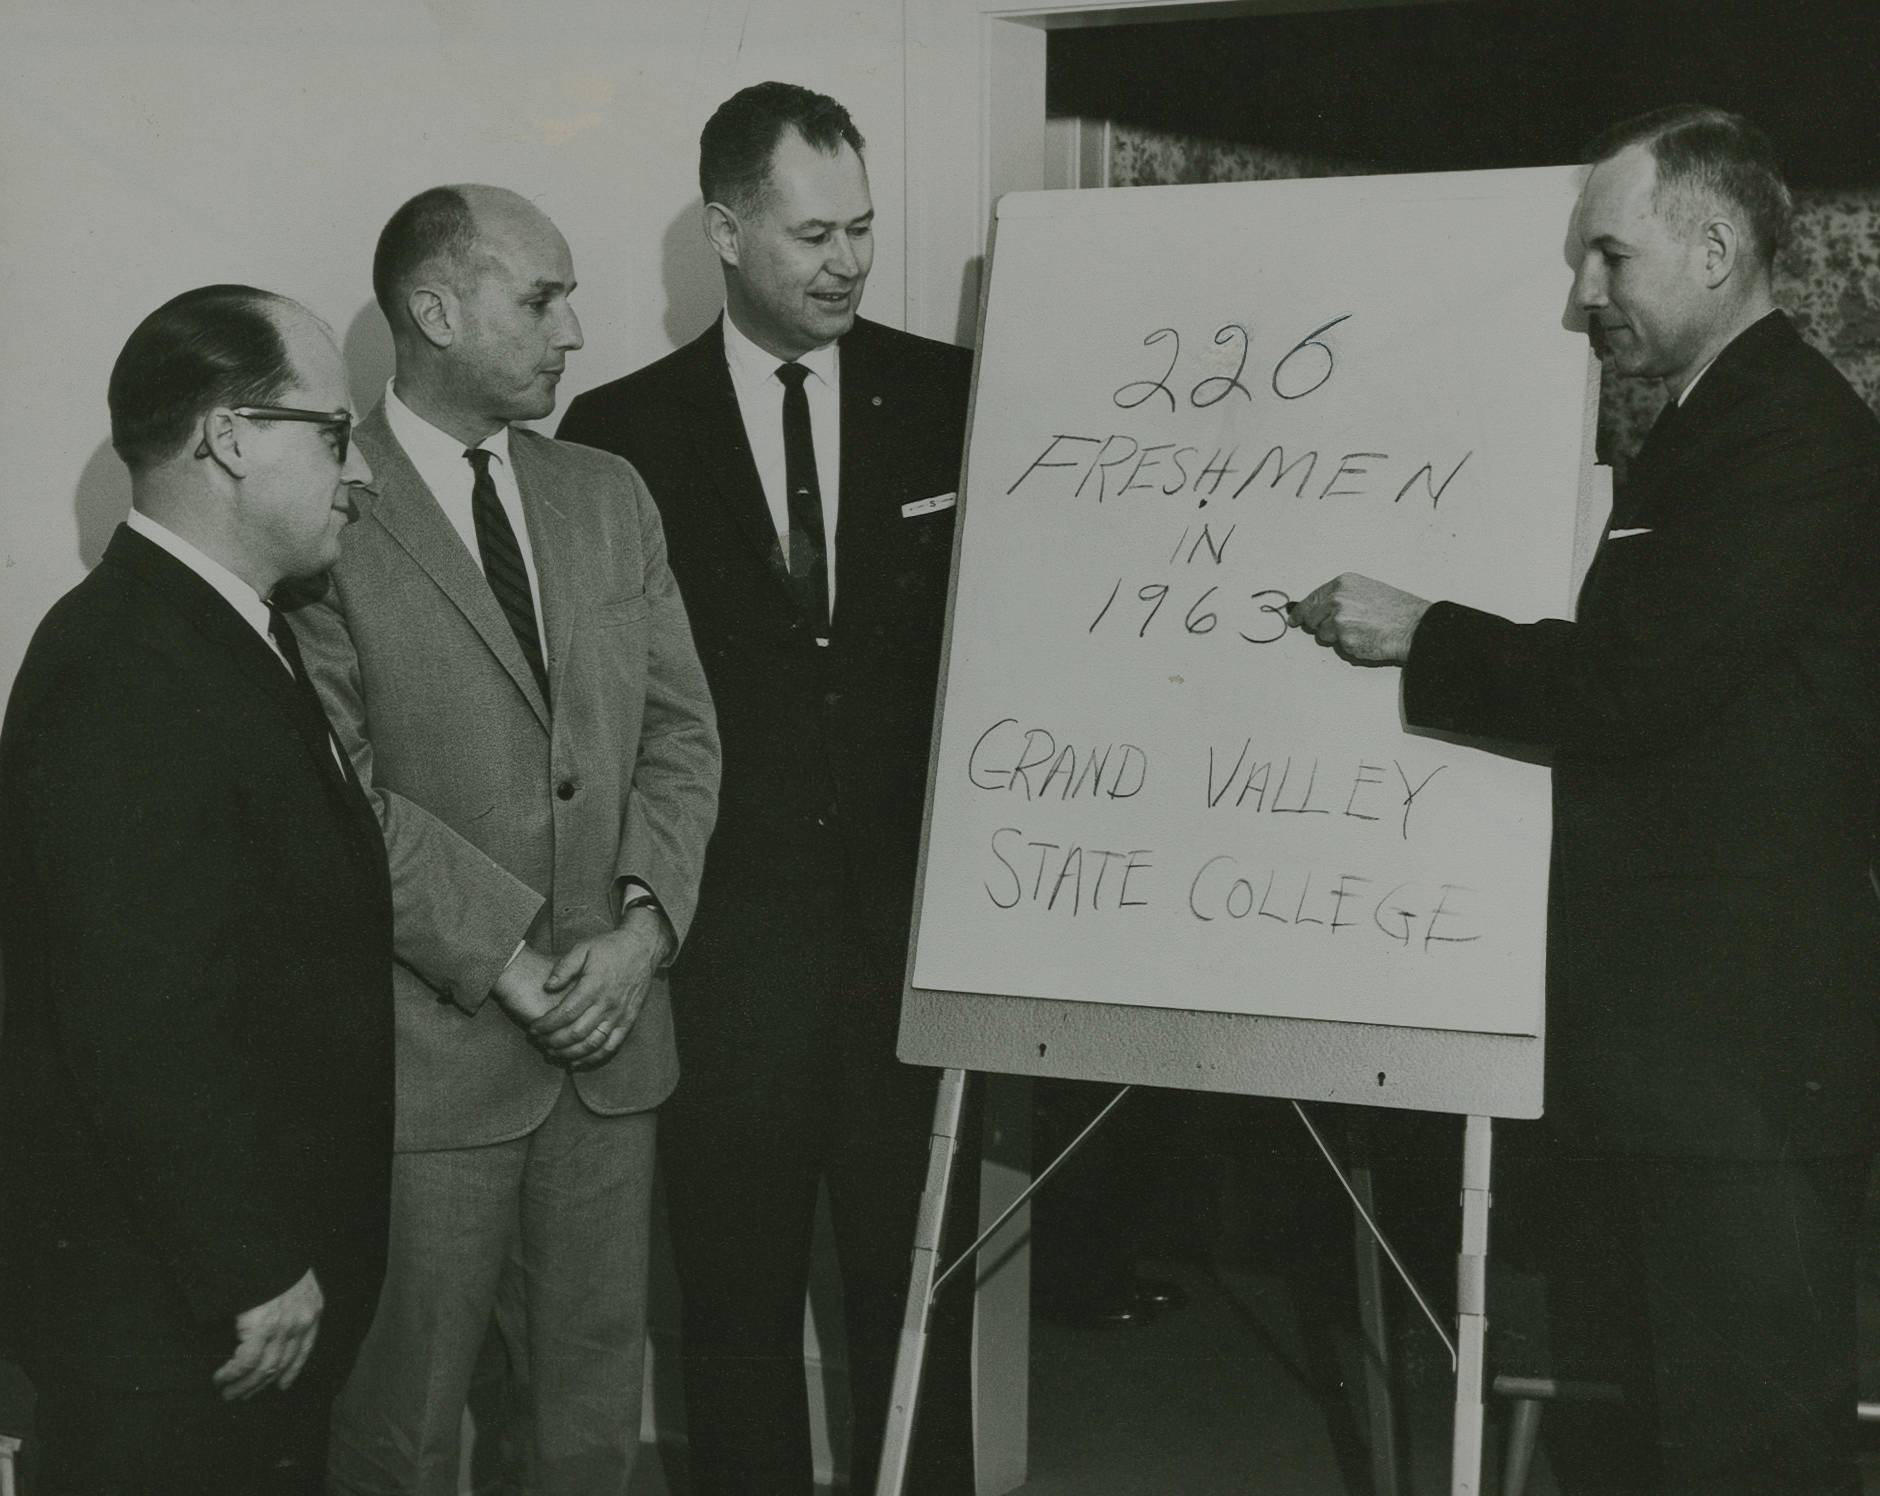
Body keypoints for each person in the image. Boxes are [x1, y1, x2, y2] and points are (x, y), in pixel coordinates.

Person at [1291, 106, 1879, 1495]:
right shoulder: (1709, 427)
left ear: (1720, 247)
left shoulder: (1790, 431)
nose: (1582, 298)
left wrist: (1423, 628)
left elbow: (1636, 682)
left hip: (1742, 1057)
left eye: (1609, 259)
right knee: (1677, 1421)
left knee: (1753, 1436)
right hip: (1686, 1048)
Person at [557, 82, 977, 1495]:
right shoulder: (616, 436)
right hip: (722, 961)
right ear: (728, 231)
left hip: (913, 961)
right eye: (814, 234)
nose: (849, 261)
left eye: (863, 228)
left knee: (923, 1311)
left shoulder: (949, 395)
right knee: (733, 1321)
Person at [295, 185, 720, 1495]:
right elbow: (339, 792)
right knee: (401, 1429)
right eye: (540, 299)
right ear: (434, 310)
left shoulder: (607, 493)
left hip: (611, 1050)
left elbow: (680, 738)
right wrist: (519, 967)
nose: (573, 331)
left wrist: (643, 933)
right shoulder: (323, 514)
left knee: (589, 1424)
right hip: (431, 1061)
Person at [0, 284, 392, 1494]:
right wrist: (252, 1263)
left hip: (224, 1313)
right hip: (187, 1325)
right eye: (333, 432)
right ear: (229, 438)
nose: (359, 470)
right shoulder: (122, 665)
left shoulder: (214, 635)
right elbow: (141, 1013)